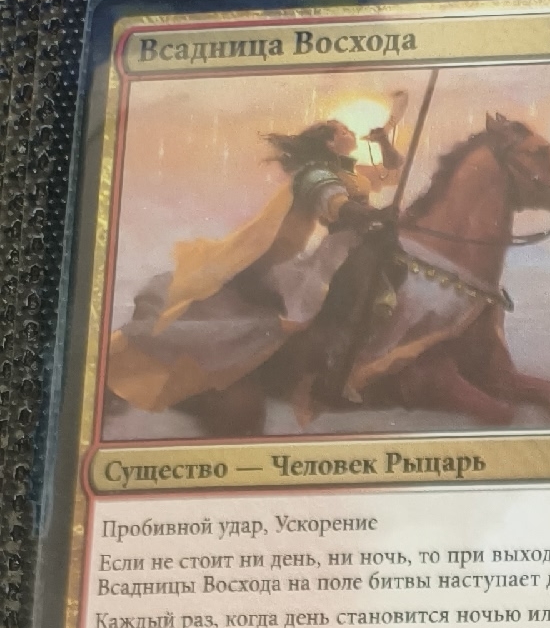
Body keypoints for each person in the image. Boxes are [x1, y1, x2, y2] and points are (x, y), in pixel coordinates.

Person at [106, 109, 402, 420]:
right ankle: (329, 377)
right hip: (341, 246)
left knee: (388, 284)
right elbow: (334, 204)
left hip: (364, 239)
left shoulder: (351, 171)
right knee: (350, 302)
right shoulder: (315, 173)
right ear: (329, 143)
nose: (349, 132)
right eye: (342, 130)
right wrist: (373, 216)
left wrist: (383, 141)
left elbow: (392, 171)